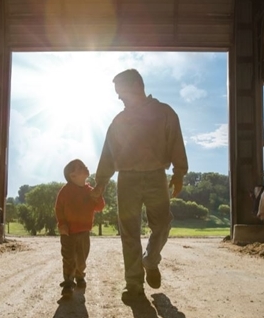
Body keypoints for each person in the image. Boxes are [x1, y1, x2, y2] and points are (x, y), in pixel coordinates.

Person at [91, 69, 188, 302]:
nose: (118, 98)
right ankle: (133, 284)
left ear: (136, 85)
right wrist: (101, 182)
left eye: (121, 92)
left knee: (163, 224)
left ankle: (151, 260)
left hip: (156, 176)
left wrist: (179, 173)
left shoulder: (165, 113)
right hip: (127, 179)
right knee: (129, 232)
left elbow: (176, 142)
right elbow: (108, 152)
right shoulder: (119, 120)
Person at [55, 159, 105, 298]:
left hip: (84, 232)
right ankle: (68, 283)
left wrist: (98, 195)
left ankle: (79, 275)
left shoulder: (90, 191)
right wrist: (62, 224)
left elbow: (100, 207)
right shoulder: (65, 191)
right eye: (80, 167)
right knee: (69, 258)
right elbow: (59, 209)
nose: (85, 166)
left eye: (84, 165)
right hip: (68, 232)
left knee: (82, 258)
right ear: (72, 176)